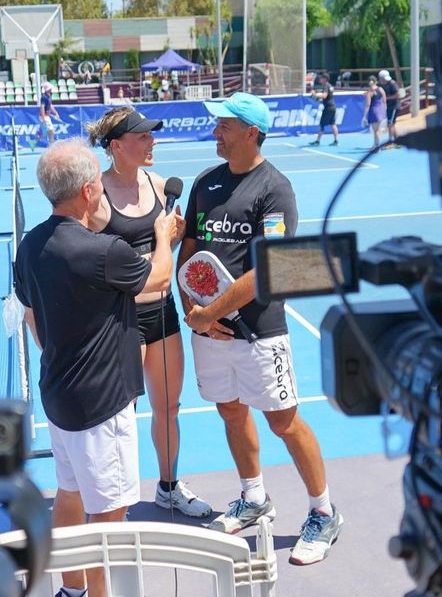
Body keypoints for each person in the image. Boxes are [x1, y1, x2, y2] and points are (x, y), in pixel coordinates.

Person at [179, 92, 344, 566]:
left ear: (251, 132)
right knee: (230, 411)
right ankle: (254, 498)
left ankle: (323, 512)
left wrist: (210, 315)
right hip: (208, 329)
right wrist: (195, 311)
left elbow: (267, 269)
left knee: (283, 421)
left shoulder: (276, 189)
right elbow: (190, 253)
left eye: (224, 126)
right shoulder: (205, 183)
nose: (216, 133)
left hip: (260, 330)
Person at [14, 138, 180, 597]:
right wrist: (164, 237)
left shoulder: (30, 246)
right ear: (89, 191)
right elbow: (160, 277)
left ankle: (70, 590)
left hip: (59, 395)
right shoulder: (103, 251)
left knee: (69, 494)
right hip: (102, 404)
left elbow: (30, 311)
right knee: (108, 515)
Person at [86, 106, 210, 519]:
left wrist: (168, 240)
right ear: (117, 146)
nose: (152, 141)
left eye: (151, 135)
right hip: (118, 320)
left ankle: (168, 486)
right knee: (121, 416)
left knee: (169, 407)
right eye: (142, 137)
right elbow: (83, 260)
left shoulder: (160, 187)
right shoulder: (95, 196)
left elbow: (161, 256)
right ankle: (113, 499)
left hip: (163, 315)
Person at [308, 73, 339, 146]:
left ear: (325, 79)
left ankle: (318, 141)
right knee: (333, 124)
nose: (320, 79)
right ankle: (336, 140)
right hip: (332, 106)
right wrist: (316, 98)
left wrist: (315, 94)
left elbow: (324, 96)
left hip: (328, 108)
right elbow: (326, 98)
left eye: (322, 78)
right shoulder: (330, 86)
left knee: (322, 124)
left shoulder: (326, 86)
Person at [361, 75, 387, 150]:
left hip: (374, 111)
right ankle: (375, 145)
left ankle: (378, 146)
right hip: (381, 111)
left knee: (376, 130)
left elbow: (367, 105)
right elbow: (384, 101)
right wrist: (384, 111)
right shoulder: (381, 89)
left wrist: (364, 116)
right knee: (377, 130)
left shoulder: (370, 92)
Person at [379, 69, 401, 146]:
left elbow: (398, 95)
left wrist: (387, 98)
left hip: (394, 107)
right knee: (392, 124)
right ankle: (398, 141)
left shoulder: (392, 84)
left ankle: (390, 142)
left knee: (390, 124)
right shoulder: (383, 85)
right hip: (389, 107)